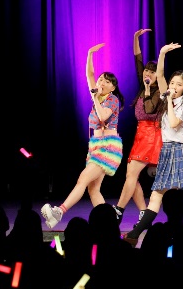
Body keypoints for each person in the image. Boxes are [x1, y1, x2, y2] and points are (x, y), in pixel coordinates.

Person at [123, 43, 183, 246]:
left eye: (178, 84)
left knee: (169, 196)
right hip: (166, 150)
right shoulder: (167, 95)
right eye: (172, 83)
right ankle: (138, 234)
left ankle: (140, 234)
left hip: (179, 150)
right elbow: (159, 75)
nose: (174, 87)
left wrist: (168, 100)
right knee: (158, 195)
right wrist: (161, 53)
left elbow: (175, 123)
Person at [41, 43, 125, 230]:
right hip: (96, 146)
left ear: (112, 88)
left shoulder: (112, 100)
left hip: (108, 147)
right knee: (93, 189)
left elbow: (103, 117)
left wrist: (95, 97)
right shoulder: (98, 97)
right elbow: (89, 75)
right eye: (101, 79)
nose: (101, 82)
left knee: (83, 179)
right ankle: (109, 224)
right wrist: (89, 54)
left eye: (107, 81)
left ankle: (59, 212)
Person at [112, 28, 164, 227]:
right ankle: (143, 211)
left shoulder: (158, 91)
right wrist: (135, 38)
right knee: (131, 176)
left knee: (132, 174)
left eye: (152, 71)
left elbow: (150, 110)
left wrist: (149, 88)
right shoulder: (144, 87)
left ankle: (119, 210)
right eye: (146, 71)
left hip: (152, 134)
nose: (147, 73)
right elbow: (137, 60)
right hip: (141, 134)